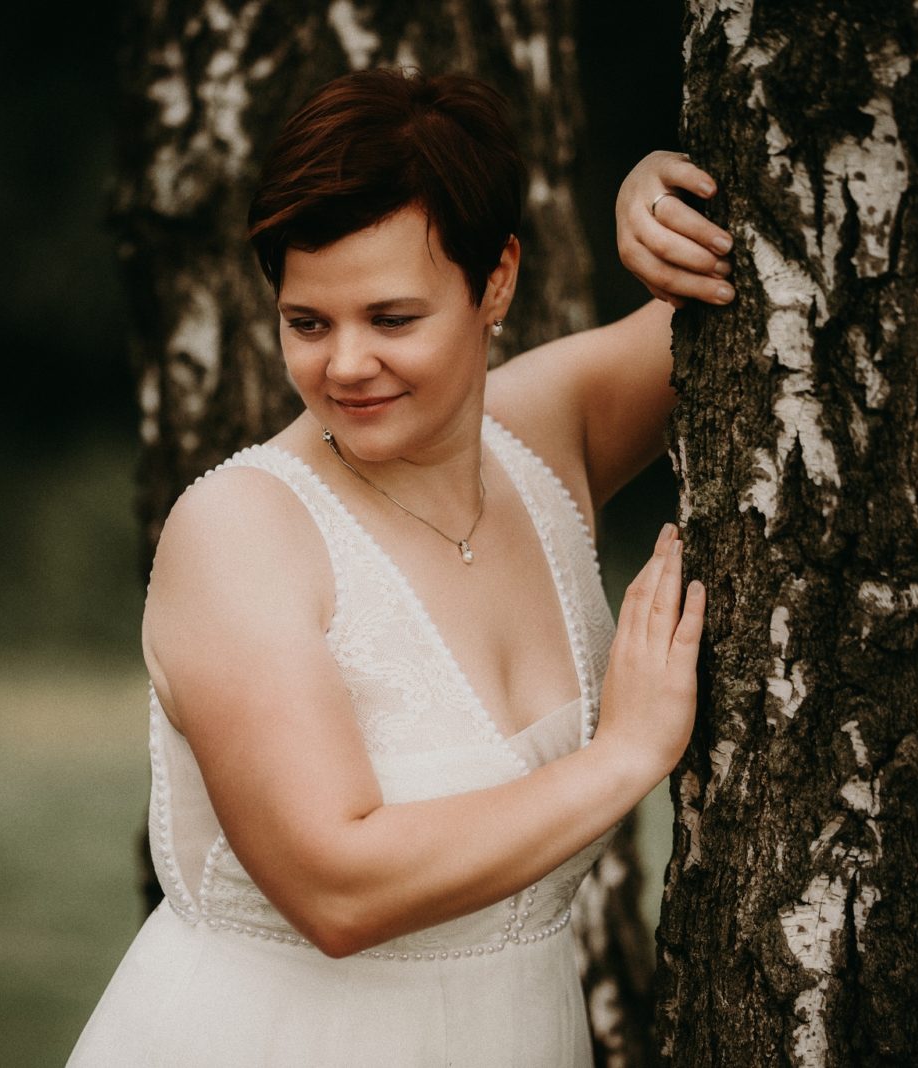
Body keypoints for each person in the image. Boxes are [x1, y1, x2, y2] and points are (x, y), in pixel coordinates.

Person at [67, 67, 733, 1066]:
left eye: (391, 319)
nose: (344, 365)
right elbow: (336, 890)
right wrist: (625, 757)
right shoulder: (239, 532)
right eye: (308, 322)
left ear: (495, 281)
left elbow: (762, 284)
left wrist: (658, 193)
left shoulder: (549, 435)